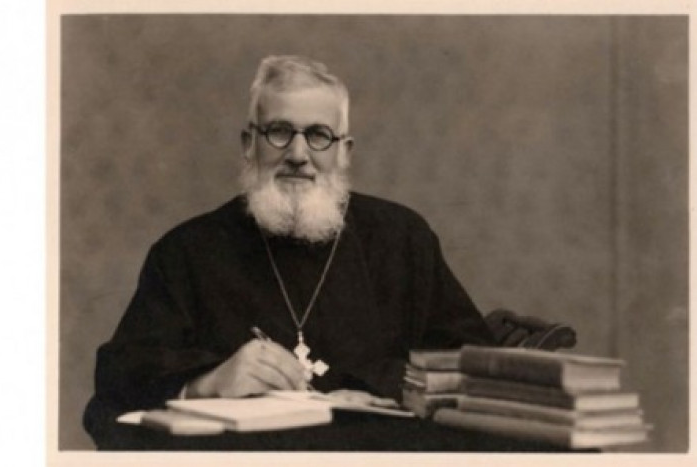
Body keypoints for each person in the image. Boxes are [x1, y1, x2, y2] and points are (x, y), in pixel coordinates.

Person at [83, 55, 495, 439]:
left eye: (318, 135)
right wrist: (206, 382)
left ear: (344, 152)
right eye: (279, 132)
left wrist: (379, 388)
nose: (298, 154)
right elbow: (119, 383)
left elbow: (474, 367)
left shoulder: (402, 238)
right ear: (249, 143)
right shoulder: (185, 253)